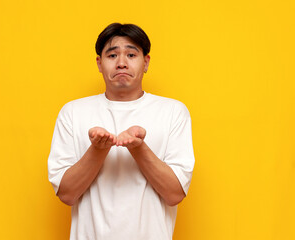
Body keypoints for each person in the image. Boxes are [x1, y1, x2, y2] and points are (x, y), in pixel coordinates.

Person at [48, 23, 195, 240]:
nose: (122, 63)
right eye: (112, 55)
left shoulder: (173, 111)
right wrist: (98, 150)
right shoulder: (73, 112)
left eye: (131, 54)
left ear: (146, 62)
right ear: (99, 63)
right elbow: (67, 194)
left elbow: (174, 194)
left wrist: (138, 148)